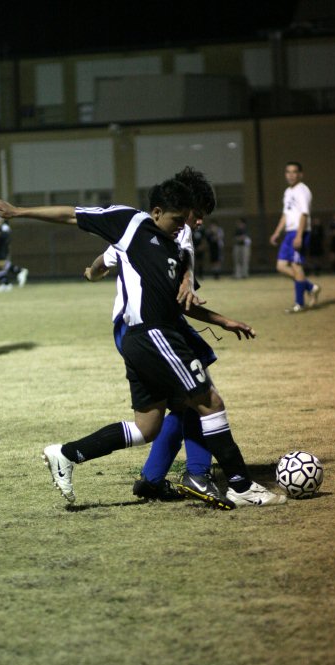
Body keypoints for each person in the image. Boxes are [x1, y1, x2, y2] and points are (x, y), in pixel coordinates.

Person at [0, 182, 286, 509]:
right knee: (208, 401)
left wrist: (224, 320)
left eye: (189, 221)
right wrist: (18, 211)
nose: (185, 227)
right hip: (155, 335)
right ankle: (238, 484)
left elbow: (182, 303)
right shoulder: (130, 222)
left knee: (147, 426)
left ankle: (66, 454)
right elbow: (72, 215)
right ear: (156, 212)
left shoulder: (177, 250)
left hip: (148, 339)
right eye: (180, 220)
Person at [86, 167, 240, 509]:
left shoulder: (158, 228)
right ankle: (196, 474)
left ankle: (155, 478)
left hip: (150, 324)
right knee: (199, 397)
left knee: (187, 400)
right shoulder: (164, 230)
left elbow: (107, 257)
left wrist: (94, 271)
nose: (198, 222)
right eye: (197, 215)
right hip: (144, 326)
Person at [269, 162, 320, 313]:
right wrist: (277, 232)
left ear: (300, 174)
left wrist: (299, 235)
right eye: (288, 172)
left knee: (297, 267)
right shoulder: (287, 191)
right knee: (281, 266)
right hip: (289, 233)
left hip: (300, 232)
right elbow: (286, 214)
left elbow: (304, 214)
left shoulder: (302, 190)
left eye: (294, 172)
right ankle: (311, 287)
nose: (291, 175)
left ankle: (299, 304)